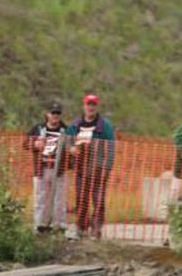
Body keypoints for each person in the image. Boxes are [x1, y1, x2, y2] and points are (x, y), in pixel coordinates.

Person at [65, 94, 116, 239]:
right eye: (88, 104)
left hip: (98, 170)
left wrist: (106, 168)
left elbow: (111, 149)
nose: (90, 107)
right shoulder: (75, 125)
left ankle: (96, 229)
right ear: (84, 106)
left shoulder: (105, 126)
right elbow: (66, 141)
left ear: (97, 107)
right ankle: (81, 228)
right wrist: (70, 148)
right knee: (81, 200)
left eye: (93, 105)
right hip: (81, 169)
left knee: (98, 201)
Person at [27, 101, 70, 233]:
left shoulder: (66, 130)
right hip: (41, 169)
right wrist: (34, 144)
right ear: (47, 114)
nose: (55, 115)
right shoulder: (38, 129)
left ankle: (59, 226)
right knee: (40, 198)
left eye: (58, 113)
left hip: (59, 170)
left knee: (59, 200)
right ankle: (40, 225)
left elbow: (71, 148)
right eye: (53, 113)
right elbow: (25, 143)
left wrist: (69, 161)